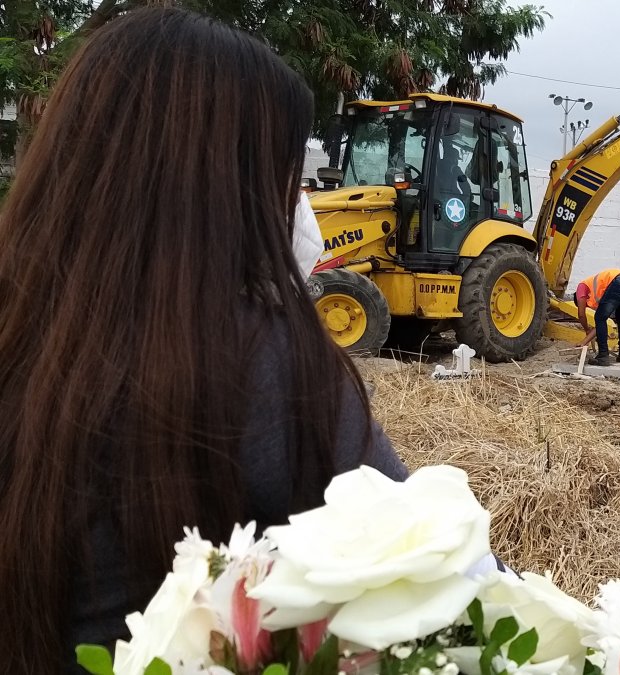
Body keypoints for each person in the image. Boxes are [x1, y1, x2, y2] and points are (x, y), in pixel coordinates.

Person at [0, 9, 411, 671]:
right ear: (232, 185)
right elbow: (450, 565)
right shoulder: (270, 365)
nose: (295, 204)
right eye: (284, 174)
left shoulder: (23, 331)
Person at [574, 268, 620, 366]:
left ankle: (603, 357)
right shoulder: (600, 292)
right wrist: (585, 340)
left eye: (585, 304)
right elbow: (600, 325)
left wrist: (586, 330)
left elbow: (581, 314)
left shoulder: (581, 287)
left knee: (600, 317)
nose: (586, 306)